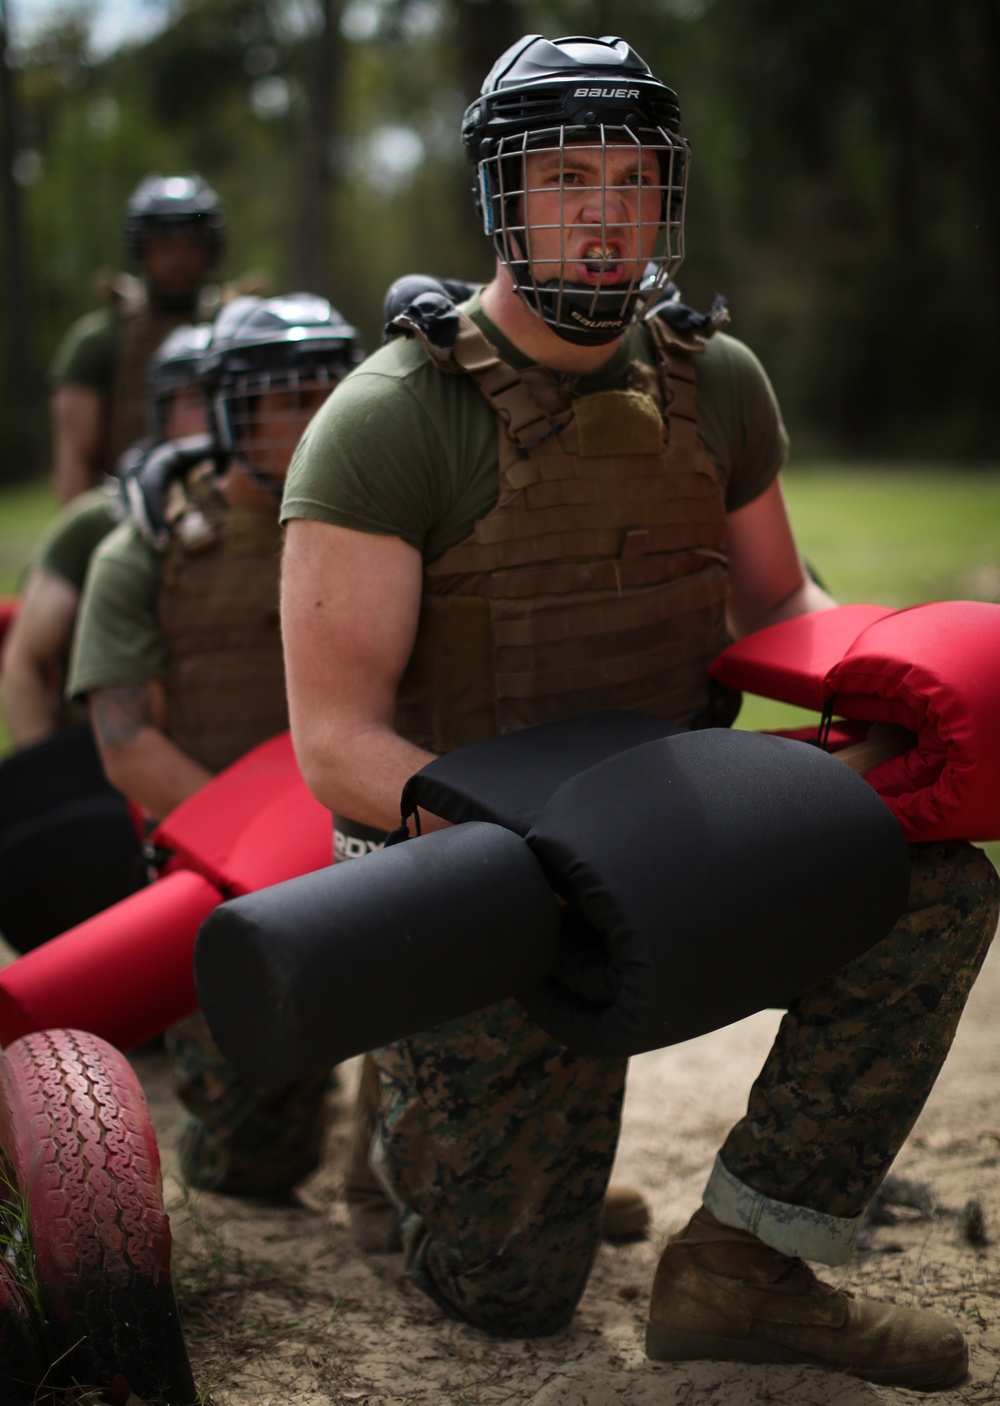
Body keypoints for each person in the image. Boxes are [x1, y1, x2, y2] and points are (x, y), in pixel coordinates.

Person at [278, 33, 998, 1389]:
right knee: (508, 1297)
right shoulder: (387, 421)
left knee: (937, 894)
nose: (605, 213)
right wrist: (537, 856)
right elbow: (337, 740)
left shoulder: (714, 379)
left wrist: (875, 704)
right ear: (502, 194)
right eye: (565, 177)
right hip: (475, 876)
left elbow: (779, 612)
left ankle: (744, 1263)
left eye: (631, 178)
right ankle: (413, 1137)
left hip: (671, 846)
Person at [67, 293, 362, 1195]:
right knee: (251, 1167)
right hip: (232, 877)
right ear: (233, 410)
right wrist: (269, 857)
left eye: (327, 394)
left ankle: (450, 1169)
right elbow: (128, 748)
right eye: (285, 401)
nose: (311, 421)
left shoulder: (382, 527)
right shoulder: (146, 552)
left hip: (377, 849)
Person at [1, 323, 210, 751]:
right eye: (193, 399)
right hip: (103, 762)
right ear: (163, 412)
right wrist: (50, 776)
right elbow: (22, 665)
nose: (209, 415)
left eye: (221, 396)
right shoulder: (98, 522)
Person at [49, 173, 225, 506]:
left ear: (211, 249)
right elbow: (75, 458)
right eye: (165, 245)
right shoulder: (98, 342)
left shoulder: (236, 329)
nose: (179, 258)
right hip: (123, 509)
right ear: (142, 249)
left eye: (191, 244)